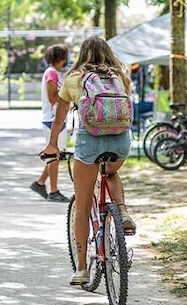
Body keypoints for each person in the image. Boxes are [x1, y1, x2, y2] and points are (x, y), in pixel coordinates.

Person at [40, 36, 135, 286]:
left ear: (82, 54)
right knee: (110, 173)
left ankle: (82, 269)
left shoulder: (74, 78)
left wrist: (53, 145)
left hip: (90, 142)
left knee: (82, 206)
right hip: (120, 142)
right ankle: (122, 211)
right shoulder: (120, 75)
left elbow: (59, 118)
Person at [30, 44, 70, 202]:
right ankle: (53, 191)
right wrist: (68, 97)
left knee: (56, 156)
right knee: (54, 156)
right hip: (53, 119)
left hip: (57, 119)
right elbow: (53, 97)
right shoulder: (51, 73)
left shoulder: (55, 73)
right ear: (61, 58)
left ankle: (40, 183)